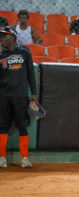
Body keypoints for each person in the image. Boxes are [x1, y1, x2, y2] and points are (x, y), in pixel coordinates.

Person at [0, 26, 38, 168]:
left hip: (21, 95)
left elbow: (30, 74)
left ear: (13, 37)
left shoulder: (25, 53)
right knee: (2, 126)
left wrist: (33, 93)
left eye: (4, 36)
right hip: (3, 96)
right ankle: (2, 158)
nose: (1, 39)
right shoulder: (0, 55)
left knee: (22, 126)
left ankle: (25, 158)